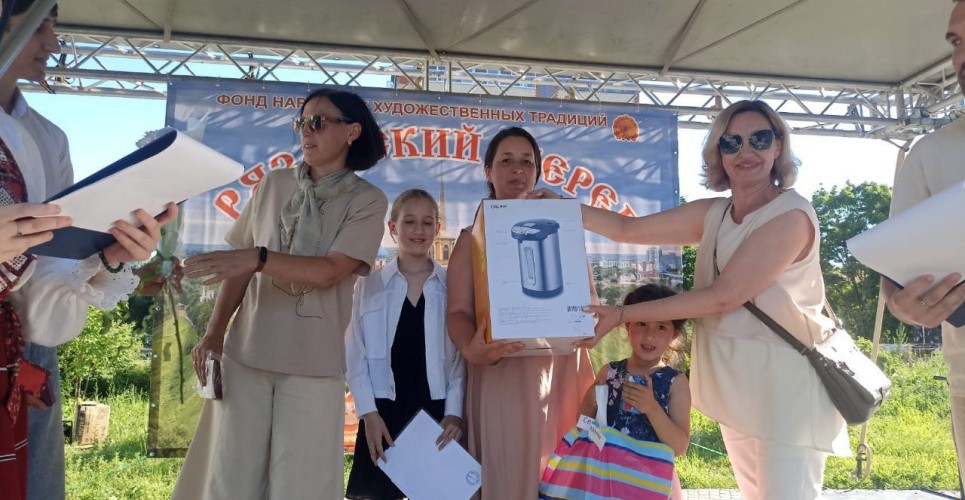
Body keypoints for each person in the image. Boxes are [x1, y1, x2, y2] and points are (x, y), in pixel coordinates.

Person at [556, 100, 849, 500]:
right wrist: (561, 209)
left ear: (778, 145)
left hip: (786, 388)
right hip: (737, 385)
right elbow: (626, 228)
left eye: (759, 139)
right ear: (719, 152)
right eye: (732, 142)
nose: (746, 151)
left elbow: (722, 298)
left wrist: (623, 313)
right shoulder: (716, 213)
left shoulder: (791, 214)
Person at [173, 87, 388, 500]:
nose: (306, 131)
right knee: (231, 478)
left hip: (313, 362)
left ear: (352, 131)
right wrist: (214, 334)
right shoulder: (273, 184)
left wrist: (258, 258)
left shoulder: (367, 200)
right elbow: (239, 268)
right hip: (247, 353)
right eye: (302, 122)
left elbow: (330, 271)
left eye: (318, 122)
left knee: (301, 485)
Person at [0, 3, 178, 499]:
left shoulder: (47, 137)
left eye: (54, 27)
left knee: (32, 482)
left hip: (21, 341)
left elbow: (53, 261)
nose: (53, 44)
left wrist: (109, 254)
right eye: (39, 26)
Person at [445, 126, 595, 500]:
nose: (517, 169)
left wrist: (591, 325)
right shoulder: (470, 239)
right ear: (488, 171)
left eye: (527, 162)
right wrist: (471, 349)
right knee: (508, 472)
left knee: (562, 470)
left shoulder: (564, 228)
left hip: (561, 368)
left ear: (537, 172)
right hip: (501, 371)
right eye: (506, 161)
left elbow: (587, 301)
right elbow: (458, 311)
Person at [882, 0, 965, 483]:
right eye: (956, 42)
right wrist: (906, 306)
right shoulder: (930, 155)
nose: (961, 57)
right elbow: (895, 282)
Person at [345, 188, 465, 500]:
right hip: (382, 413)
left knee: (436, 494)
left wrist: (453, 412)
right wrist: (368, 413)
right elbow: (354, 353)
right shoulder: (369, 284)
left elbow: (459, 359)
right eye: (409, 221)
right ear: (393, 228)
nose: (418, 230)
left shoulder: (452, 287)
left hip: (435, 411)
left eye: (427, 222)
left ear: (437, 229)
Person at [569, 283, 691, 500]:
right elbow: (583, 425)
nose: (649, 335)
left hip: (651, 485)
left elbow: (680, 446)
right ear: (628, 326)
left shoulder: (676, 382)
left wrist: (651, 408)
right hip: (605, 481)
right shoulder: (609, 372)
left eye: (661, 327)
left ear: (674, 333)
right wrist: (590, 400)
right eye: (641, 323)